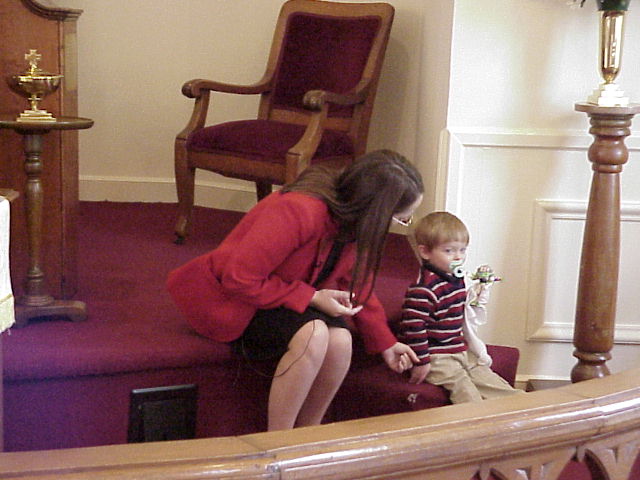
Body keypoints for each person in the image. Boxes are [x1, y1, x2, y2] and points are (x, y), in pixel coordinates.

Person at [167, 149, 424, 431]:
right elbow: (239, 279)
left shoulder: (354, 219)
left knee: (341, 342)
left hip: (282, 294)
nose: (398, 226)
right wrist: (312, 297)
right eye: (401, 219)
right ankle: (280, 440)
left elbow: (357, 282)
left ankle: (308, 433)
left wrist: (385, 342)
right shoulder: (298, 210)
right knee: (313, 335)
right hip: (233, 301)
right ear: (377, 212)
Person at [397, 211, 519, 404]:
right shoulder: (424, 289)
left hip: (459, 348)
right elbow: (413, 328)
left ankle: (522, 406)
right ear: (425, 252)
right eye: (449, 251)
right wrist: (421, 361)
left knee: (489, 380)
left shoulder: (455, 278)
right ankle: (476, 418)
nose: (458, 257)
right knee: (464, 389)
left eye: (462, 250)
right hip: (436, 355)